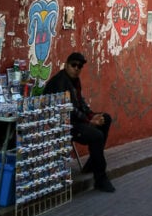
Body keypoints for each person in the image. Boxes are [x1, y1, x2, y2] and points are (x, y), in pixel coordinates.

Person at [43, 51, 115, 193]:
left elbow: (79, 102)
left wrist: (92, 115)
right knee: (97, 136)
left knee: (106, 118)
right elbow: (68, 110)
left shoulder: (74, 80)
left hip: (75, 119)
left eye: (79, 66)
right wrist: (90, 121)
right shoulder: (60, 82)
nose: (76, 68)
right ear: (66, 65)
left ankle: (92, 163)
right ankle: (100, 178)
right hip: (63, 123)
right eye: (73, 65)